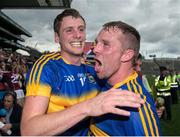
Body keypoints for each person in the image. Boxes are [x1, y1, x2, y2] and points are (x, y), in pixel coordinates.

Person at [21, 9, 144, 136]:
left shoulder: (95, 71)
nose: (78, 35)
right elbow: (28, 131)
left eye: (81, 29)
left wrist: (144, 107)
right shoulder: (47, 68)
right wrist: (87, 107)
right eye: (69, 30)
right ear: (57, 37)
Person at [89, 21, 161, 136]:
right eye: (97, 42)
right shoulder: (102, 79)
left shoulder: (135, 106)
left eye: (105, 44)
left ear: (126, 55)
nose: (95, 49)